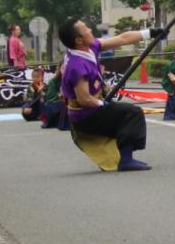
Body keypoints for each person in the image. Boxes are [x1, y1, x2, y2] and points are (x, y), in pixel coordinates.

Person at [58, 17, 166, 172]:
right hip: (85, 116)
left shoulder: (88, 47)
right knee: (131, 113)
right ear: (78, 40)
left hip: (92, 108)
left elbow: (122, 39)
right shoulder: (76, 65)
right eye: (85, 29)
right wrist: (104, 104)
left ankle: (120, 155)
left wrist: (151, 33)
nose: (90, 29)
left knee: (120, 112)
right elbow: (84, 100)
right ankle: (126, 160)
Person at [40, 61, 68, 130]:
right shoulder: (53, 81)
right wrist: (60, 95)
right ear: (59, 69)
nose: (65, 70)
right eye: (63, 68)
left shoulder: (76, 80)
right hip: (55, 104)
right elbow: (50, 98)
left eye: (67, 68)